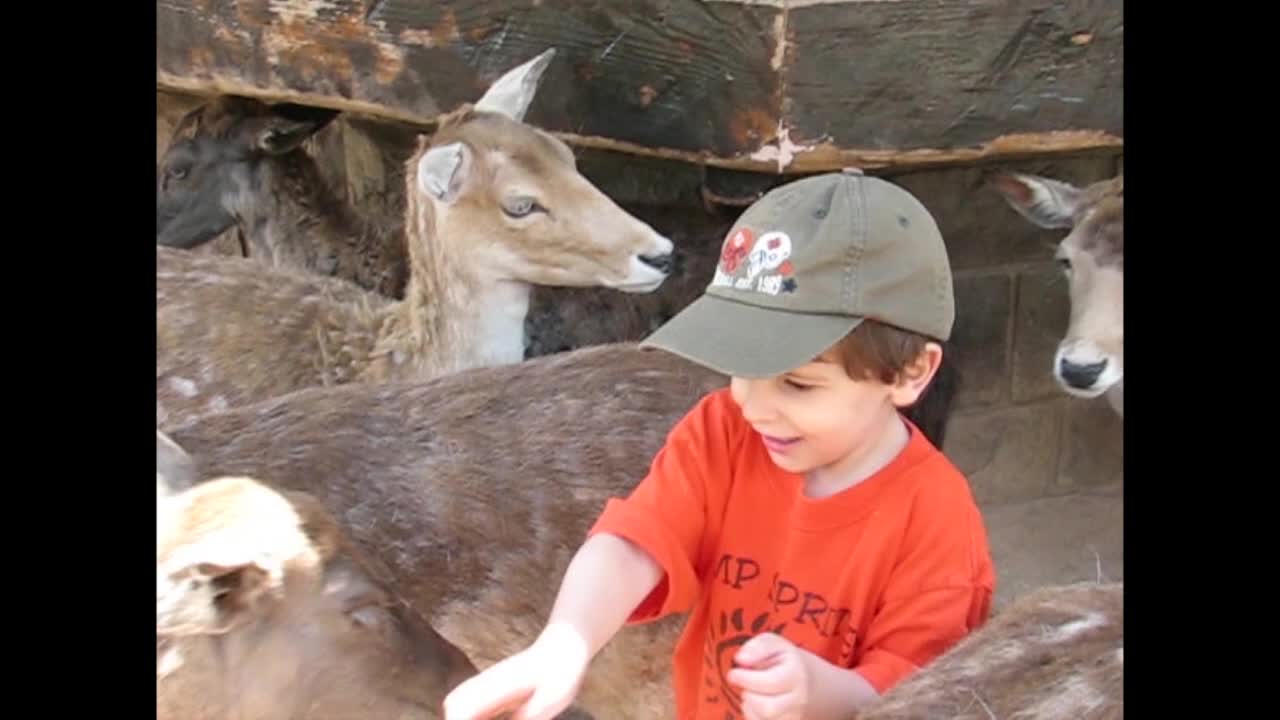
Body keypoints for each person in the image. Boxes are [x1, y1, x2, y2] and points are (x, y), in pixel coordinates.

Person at [443, 169, 996, 720]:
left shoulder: (937, 522)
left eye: (797, 384)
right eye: (739, 368)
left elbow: (917, 698)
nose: (753, 405)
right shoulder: (725, 431)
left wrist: (816, 692)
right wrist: (565, 641)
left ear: (908, 374)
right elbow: (634, 544)